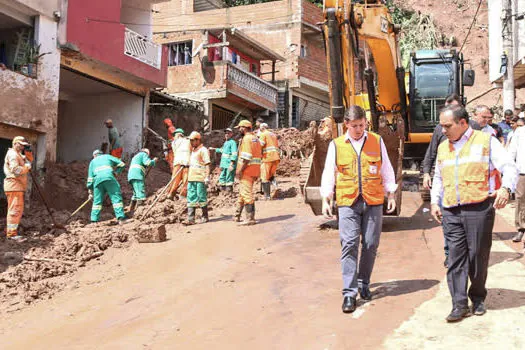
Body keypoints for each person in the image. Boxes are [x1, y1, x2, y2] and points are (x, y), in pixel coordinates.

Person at [430, 105, 518, 322]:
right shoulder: (443, 147)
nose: (443, 130)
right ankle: (458, 304)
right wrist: (434, 201)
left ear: (462, 123)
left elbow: (509, 166)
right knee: (455, 258)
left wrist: (506, 188)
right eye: (441, 126)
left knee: (477, 255)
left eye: (447, 126)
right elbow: (439, 177)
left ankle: (477, 297)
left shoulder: (485, 141)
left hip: (479, 207)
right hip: (451, 209)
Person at [320, 105, 397, 314]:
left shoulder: (376, 141)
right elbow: (329, 172)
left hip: (372, 200)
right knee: (349, 244)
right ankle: (349, 293)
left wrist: (391, 193)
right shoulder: (336, 145)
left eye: (362, 125)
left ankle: (364, 281)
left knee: (371, 244)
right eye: (354, 126)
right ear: (346, 124)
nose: (358, 129)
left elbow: (386, 168)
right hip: (347, 202)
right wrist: (326, 198)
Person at [422, 94, 480, 267]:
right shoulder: (441, 130)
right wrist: (426, 172)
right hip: (448, 187)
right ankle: (451, 255)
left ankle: (469, 256)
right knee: (449, 224)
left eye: (452, 110)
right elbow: (432, 152)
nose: (446, 128)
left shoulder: (475, 129)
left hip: (471, 191)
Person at [3, 136, 32, 241]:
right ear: (15, 143)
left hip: (17, 186)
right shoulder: (13, 154)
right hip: (14, 185)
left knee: (16, 209)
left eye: (24, 145)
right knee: (15, 210)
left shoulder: (18, 155)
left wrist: (28, 153)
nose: (22, 147)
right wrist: (26, 167)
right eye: (21, 145)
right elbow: (16, 170)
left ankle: (11, 232)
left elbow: (29, 160)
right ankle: (11, 235)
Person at [234, 119, 262, 225]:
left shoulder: (247, 139)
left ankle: (250, 218)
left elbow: (246, 157)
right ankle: (237, 215)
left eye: (240, 128)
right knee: (242, 193)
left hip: (247, 170)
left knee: (246, 194)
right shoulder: (255, 138)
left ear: (244, 128)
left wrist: (240, 171)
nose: (239, 130)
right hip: (254, 170)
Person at [87, 150, 127, 223]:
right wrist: (116, 172)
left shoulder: (92, 162)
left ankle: (94, 221)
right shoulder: (107, 156)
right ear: (102, 154)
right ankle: (121, 218)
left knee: (97, 202)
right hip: (109, 178)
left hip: (97, 181)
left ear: (94, 156)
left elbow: (90, 179)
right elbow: (122, 164)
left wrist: (90, 192)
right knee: (116, 198)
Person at [184, 132, 211, 225]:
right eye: (190, 140)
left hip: (200, 177)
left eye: (192, 140)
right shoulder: (193, 151)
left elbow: (207, 164)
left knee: (201, 197)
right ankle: (191, 219)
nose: (191, 142)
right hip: (191, 177)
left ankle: (205, 216)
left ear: (198, 140)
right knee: (191, 198)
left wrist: (207, 176)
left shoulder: (203, 150)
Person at [508, 121, 525, 243]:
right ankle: (521, 228)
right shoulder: (519, 132)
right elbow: (511, 152)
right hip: (522, 171)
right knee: (520, 199)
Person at [127, 148, 157, 214]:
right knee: (140, 193)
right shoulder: (143, 154)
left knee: (136, 194)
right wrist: (153, 161)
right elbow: (148, 163)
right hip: (137, 175)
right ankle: (139, 212)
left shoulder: (136, 156)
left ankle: (131, 210)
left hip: (131, 176)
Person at [210, 128, 237, 192]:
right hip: (224, 164)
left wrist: (232, 164)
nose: (227, 134)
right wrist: (214, 149)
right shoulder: (226, 142)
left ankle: (228, 192)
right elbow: (222, 150)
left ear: (231, 134)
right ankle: (222, 192)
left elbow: (234, 154)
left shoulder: (232, 142)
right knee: (222, 177)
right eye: (226, 133)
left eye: (228, 133)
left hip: (229, 164)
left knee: (229, 178)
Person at [258, 123, 280, 200]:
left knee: (264, 177)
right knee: (270, 175)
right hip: (276, 158)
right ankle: (276, 186)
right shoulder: (273, 135)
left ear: (263, 128)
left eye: (260, 128)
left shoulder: (264, 134)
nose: (259, 130)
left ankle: (267, 196)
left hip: (267, 158)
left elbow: (260, 145)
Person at [167, 128, 191, 200]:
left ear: (177, 135)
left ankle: (171, 194)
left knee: (175, 180)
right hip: (187, 162)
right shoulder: (187, 141)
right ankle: (183, 195)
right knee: (186, 180)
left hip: (178, 162)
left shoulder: (174, 142)